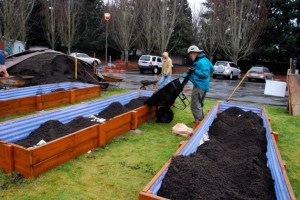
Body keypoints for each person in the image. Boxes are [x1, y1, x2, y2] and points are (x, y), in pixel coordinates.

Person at [183, 45, 214, 122]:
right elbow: (212, 69)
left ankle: (199, 122)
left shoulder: (201, 62)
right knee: (199, 104)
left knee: (195, 105)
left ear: (193, 53)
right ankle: (200, 120)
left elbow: (205, 74)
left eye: (190, 55)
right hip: (203, 86)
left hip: (199, 86)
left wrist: (195, 71)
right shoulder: (205, 60)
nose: (190, 57)